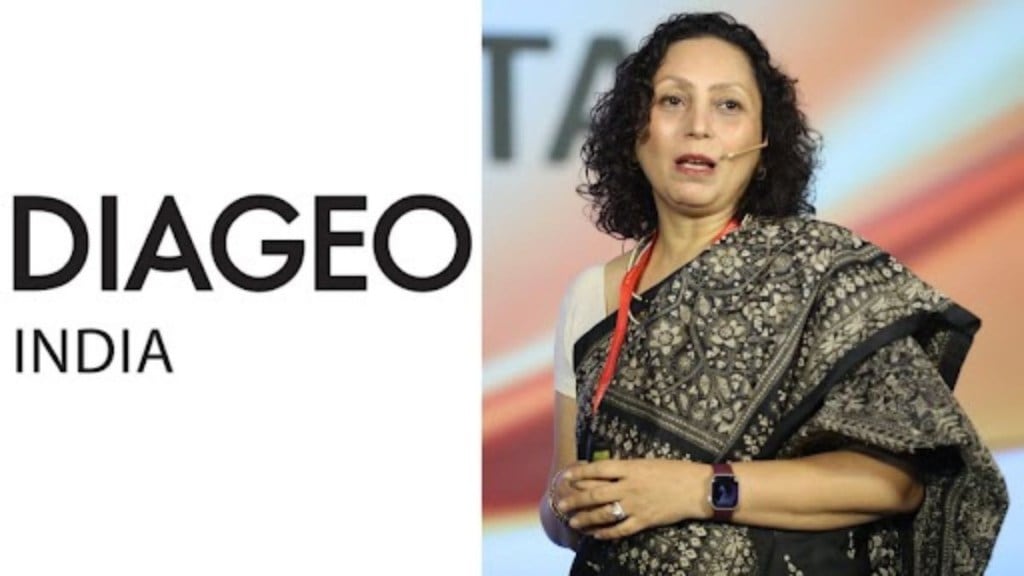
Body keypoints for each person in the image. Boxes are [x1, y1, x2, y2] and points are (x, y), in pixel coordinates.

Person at [538, 11, 1008, 576]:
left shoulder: (820, 272)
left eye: (728, 105)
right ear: (635, 130)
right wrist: (570, 504)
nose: (698, 126)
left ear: (763, 142)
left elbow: (893, 483)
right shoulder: (592, 295)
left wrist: (696, 490)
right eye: (672, 100)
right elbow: (559, 508)